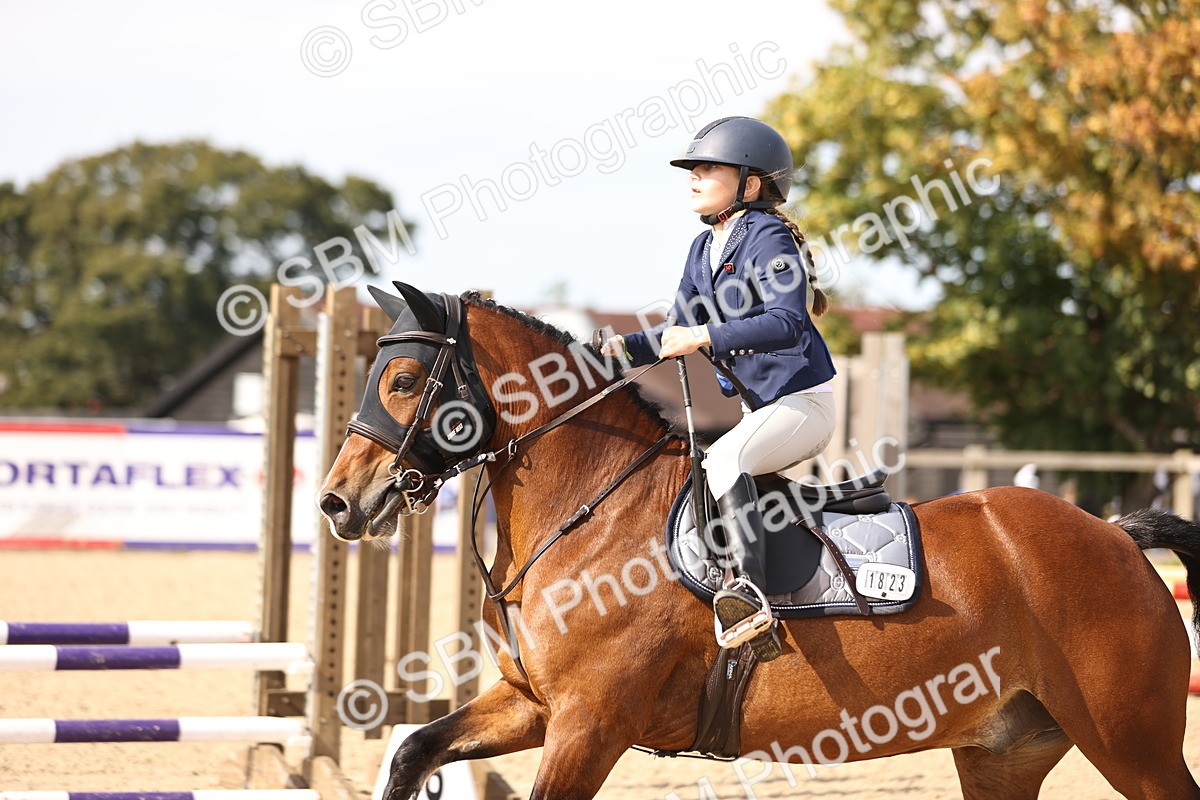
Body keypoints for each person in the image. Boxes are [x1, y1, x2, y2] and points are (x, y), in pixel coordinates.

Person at [601, 116, 837, 661]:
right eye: (693, 168)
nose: (694, 176)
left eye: (709, 167)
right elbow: (675, 332)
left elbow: (788, 321)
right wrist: (617, 350)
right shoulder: (702, 249)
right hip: (761, 411)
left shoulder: (767, 236)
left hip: (803, 406)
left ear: (750, 184)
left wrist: (705, 333)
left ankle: (750, 597)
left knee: (725, 459)